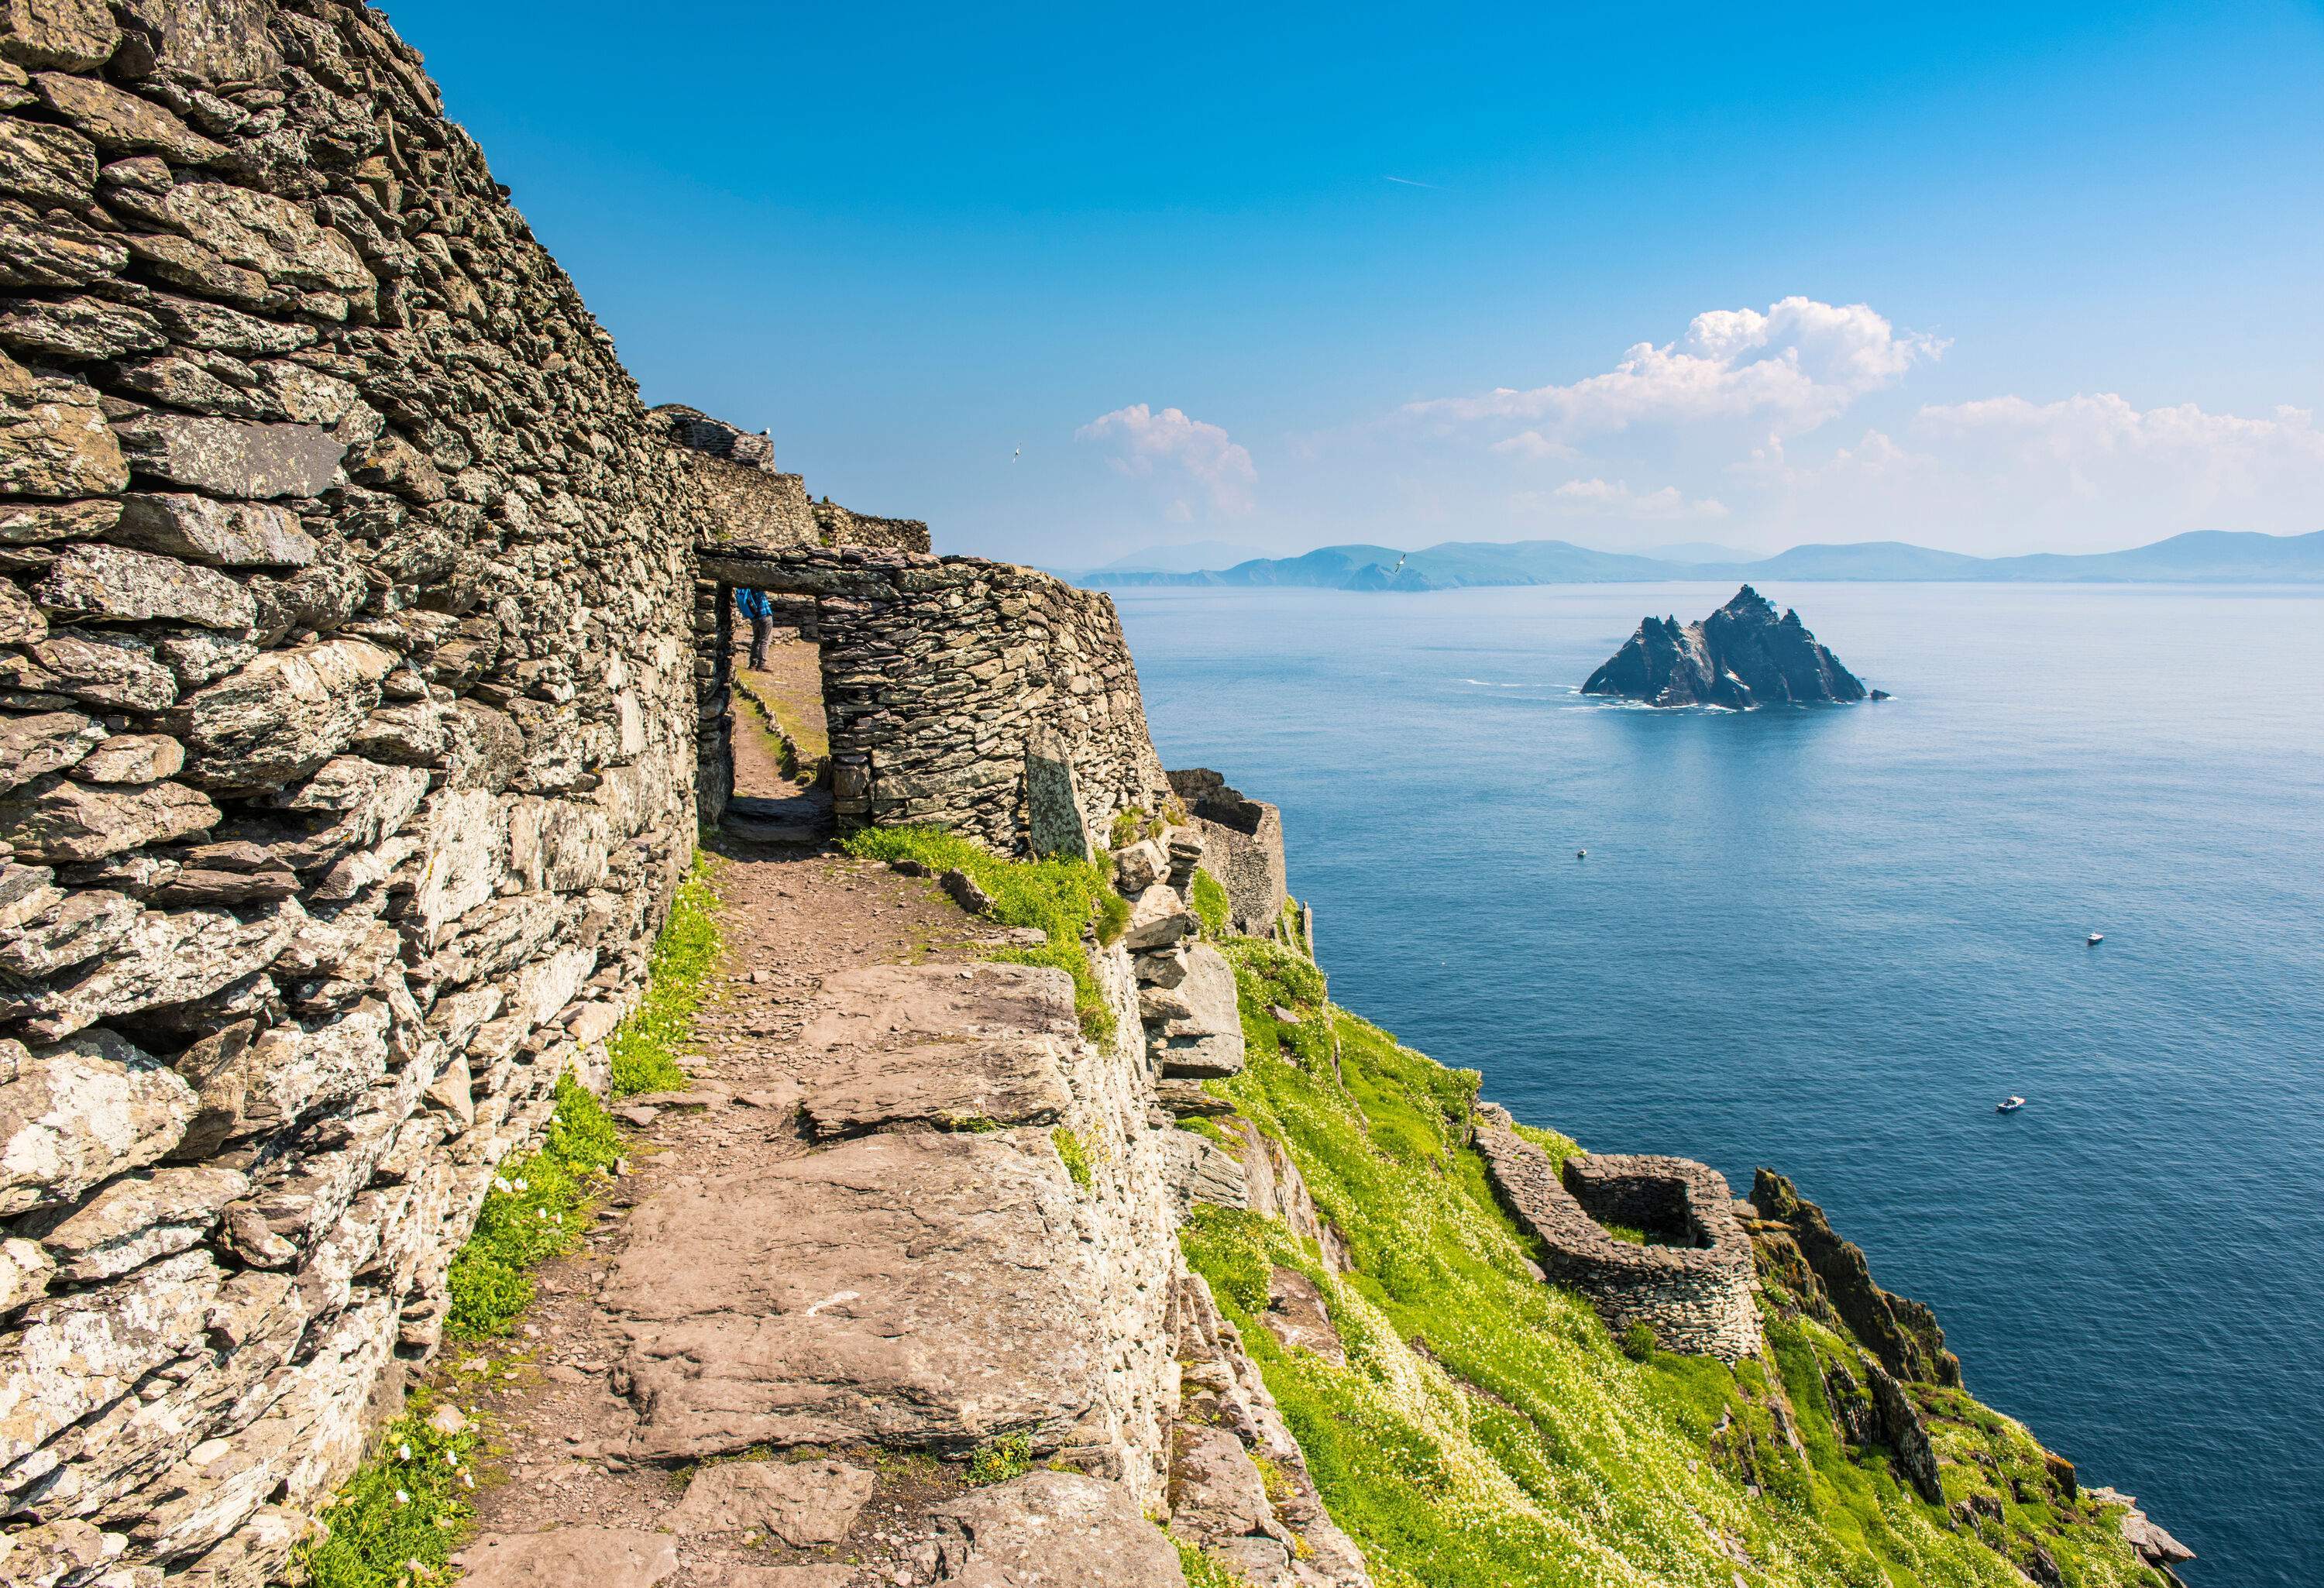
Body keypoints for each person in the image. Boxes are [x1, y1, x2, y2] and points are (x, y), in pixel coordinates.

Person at [734, 586, 774, 670]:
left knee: (756, 640)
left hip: (755, 618)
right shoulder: (758, 588)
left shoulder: (745, 590)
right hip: (765, 615)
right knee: (765, 640)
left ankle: (752, 663)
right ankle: (761, 665)